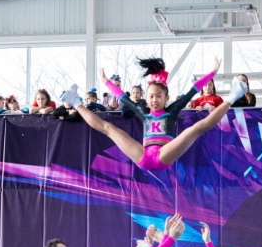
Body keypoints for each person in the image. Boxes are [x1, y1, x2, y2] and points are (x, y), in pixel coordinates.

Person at [65, 59, 246, 171]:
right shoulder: (143, 112)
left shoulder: (172, 111)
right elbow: (121, 96)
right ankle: (74, 101)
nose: (154, 100)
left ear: (166, 97)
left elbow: (194, 89)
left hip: (163, 155)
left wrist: (213, 72)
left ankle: (233, 96)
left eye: (159, 96)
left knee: (196, 129)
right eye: (151, 96)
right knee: (108, 128)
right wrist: (105, 81)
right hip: (143, 156)